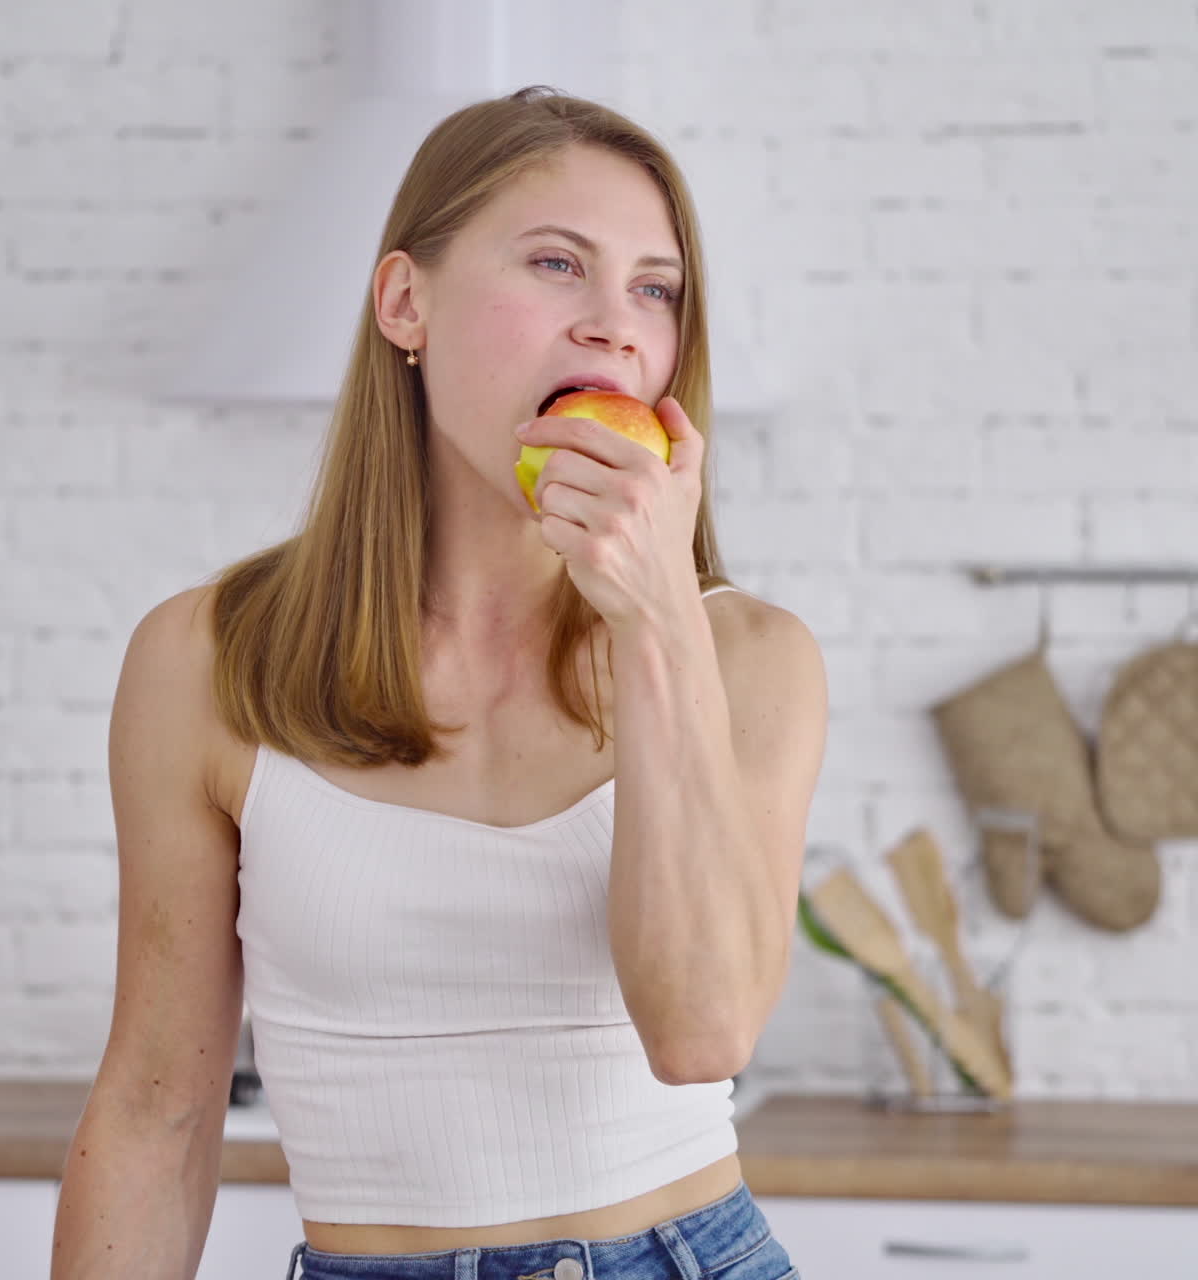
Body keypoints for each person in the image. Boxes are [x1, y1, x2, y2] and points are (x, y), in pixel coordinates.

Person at [51, 85, 827, 1280]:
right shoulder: (203, 664)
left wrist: (657, 615)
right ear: (405, 303)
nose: (614, 325)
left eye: (654, 288)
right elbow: (156, 1111)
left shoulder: (749, 659)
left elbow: (702, 1027)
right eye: (556, 263)